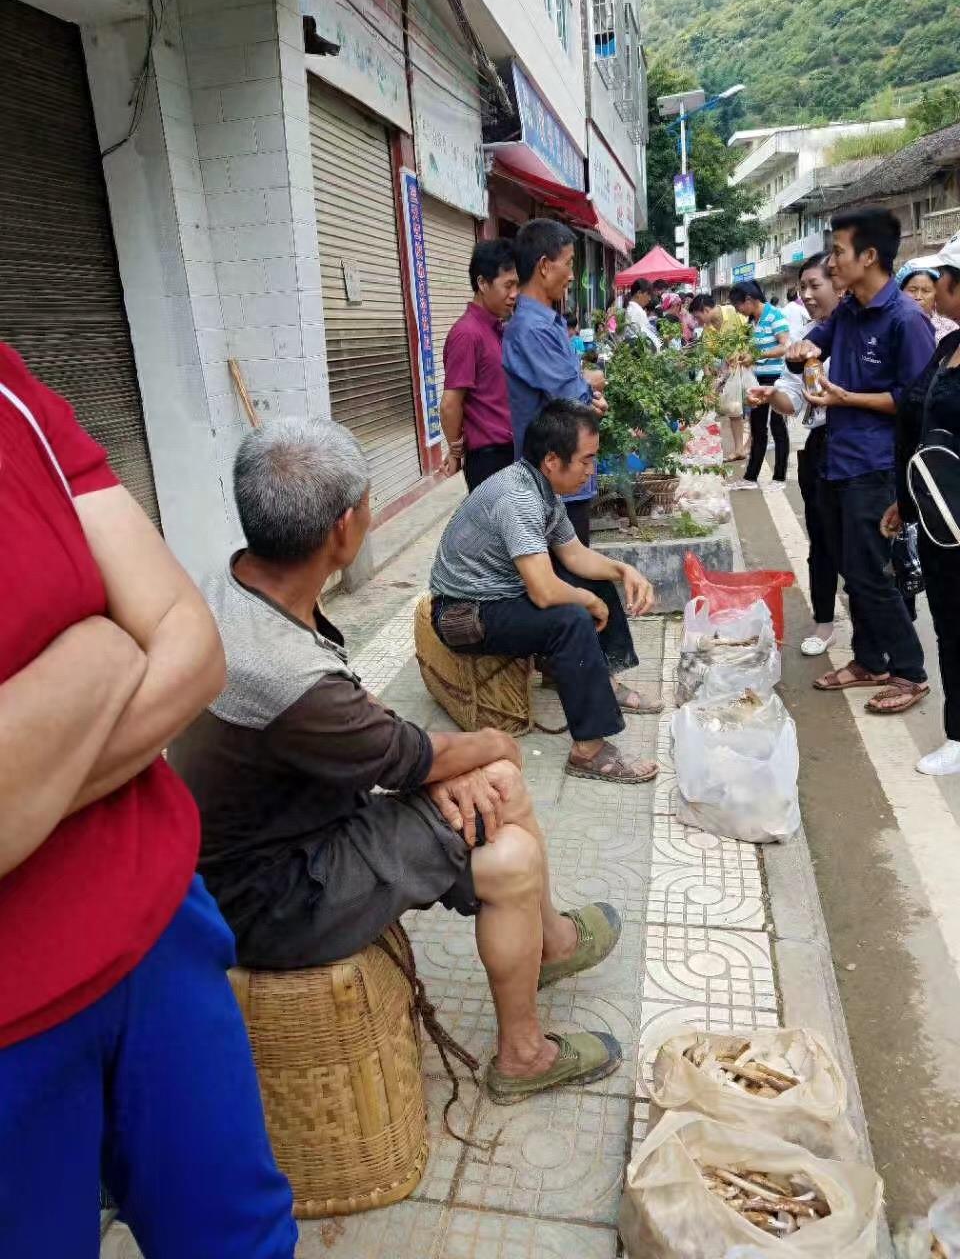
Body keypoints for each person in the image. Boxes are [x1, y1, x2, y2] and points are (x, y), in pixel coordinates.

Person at [169, 418, 624, 1105]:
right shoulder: (289, 676)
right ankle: (523, 1054)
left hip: (270, 833)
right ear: (345, 529)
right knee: (508, 838)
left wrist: (443, 766)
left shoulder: (225, 585)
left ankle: (552, 941)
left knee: (487, 787)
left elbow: (375, 735)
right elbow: (396, 753)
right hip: (275, 893)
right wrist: (490, 745)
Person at [0, 344, 297, 1257]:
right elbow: (145, 640)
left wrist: (28, 786)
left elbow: (187, 644)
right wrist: (98, 648)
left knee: (242, 1241)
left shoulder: (14, 391)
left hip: (157, 934)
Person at [430, 399, 661, 785]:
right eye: (586, 461)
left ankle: (604, 679)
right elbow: (542, 592)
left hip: (498, 597)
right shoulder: (517, 497)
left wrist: (624, 571)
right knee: (569, 616)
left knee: (594, 583)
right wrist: (588, 602)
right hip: (463, 615)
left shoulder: (541, 487)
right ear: (553, 460)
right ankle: (588, 751)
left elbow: (574, 556)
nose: (591, 471)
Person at [787, 205, 935, 714]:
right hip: (839, 460)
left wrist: (848, 398)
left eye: (838, 252)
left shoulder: (906, 320)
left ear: (869, 256)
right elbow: (810, 347)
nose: (831, 264)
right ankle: (869, 660)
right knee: (853, 566)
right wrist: (799, 349)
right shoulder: (847, 310)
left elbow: (914, 402)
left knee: (872, 573)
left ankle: (911, 671)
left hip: (878, 465)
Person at [887, 233, 960, 770]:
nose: (934, 290)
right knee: (950, 624)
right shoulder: (947, 346)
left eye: (941, 281)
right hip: (939, 520)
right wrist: (905, 501)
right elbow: (914, 422)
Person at [751, 252, 841, 655]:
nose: (806, 294)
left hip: (858, 448)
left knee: (862, 540)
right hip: (819, 447)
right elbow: (793, 397)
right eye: (802, 287)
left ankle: (879, 623)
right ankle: (824, 622)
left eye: (814, 285)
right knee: (820, 538)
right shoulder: (805, 337)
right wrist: (773, 395)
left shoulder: (860, 334)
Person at [502, 218, 607, 545]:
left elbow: (574, 388)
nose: (573, 275)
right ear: (545, 266)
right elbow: (572, 397)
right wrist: (590, 392)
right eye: (569, 263)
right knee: (569, 577)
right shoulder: (532, 328)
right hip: (555, 478)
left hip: (565, 475)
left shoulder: (547, 322)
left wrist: (589, 393)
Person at [440, 238, 519, 492]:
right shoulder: (467, 334)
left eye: (516, 285)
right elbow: (450, 403)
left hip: (509, 453)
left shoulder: (497, 328)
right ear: (482, 283)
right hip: (489, 460)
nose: (514, 294)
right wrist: (455, 450)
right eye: (507, 286)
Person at [730, 280, 791, 489]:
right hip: (757, 380)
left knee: (777, 427)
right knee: (757, 427)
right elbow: (749, 348)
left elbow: (785, 347)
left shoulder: (774, 316)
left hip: (776, 379)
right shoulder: (750, 322)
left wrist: (757, 354)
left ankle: (780, 477)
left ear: (749, 300)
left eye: (739, 306)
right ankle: (750, 477)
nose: (739, 311)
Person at [690, 293, 750, 461]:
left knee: (756, 410)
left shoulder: (734, 313)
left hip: (748, 367)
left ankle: (751, 444)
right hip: (728, 372)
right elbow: (707, 358)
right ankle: (739, 449)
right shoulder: (708, 330)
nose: (697, 321)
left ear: (706, 310)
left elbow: (752, 332)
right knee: (734, 410)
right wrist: (710, 379)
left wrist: (745, 354)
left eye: (697, 316)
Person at [895, 259, 959, 342]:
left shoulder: (950, 329)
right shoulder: (891, 322)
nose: (918, 296)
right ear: (901, 292)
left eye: (926, 291)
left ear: (936, 295)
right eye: (912, 290)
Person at [625, 278, 662, 350]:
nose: (649, 299)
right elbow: (642, 337)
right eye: (648, 294)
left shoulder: (632, 309)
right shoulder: (637, 311)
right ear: (639, 293)